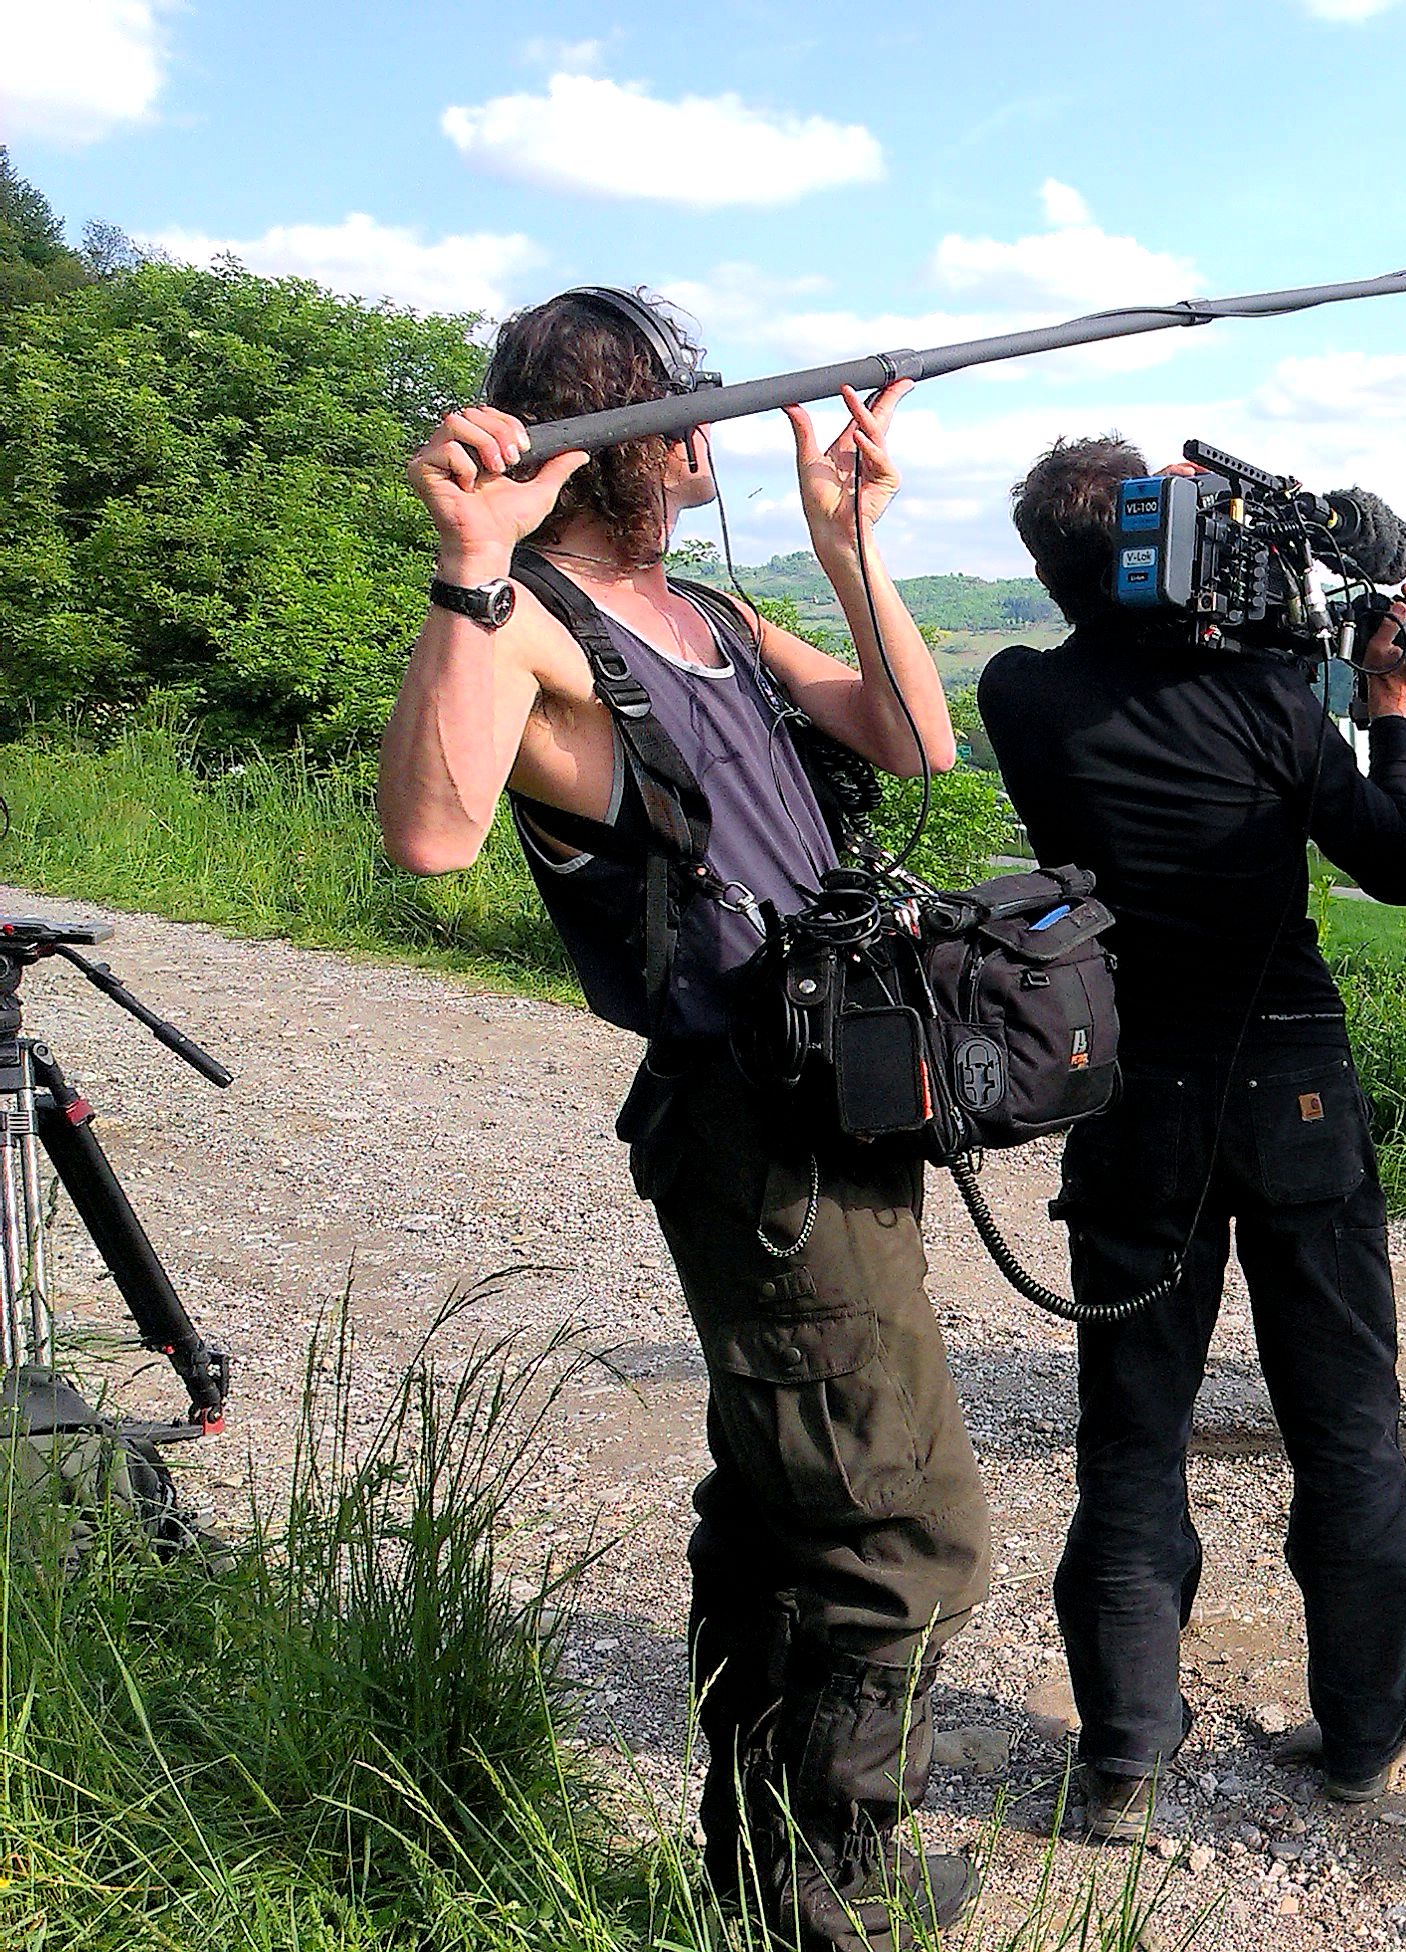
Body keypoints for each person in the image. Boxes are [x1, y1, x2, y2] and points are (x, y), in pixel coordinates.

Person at [377, 288, 978, 1951]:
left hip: (834, 1103)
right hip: (749, 1128)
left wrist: (846, 539)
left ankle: (762, 1872)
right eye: (679, 407)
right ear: (611, 441)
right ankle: (836, 1905)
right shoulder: (531, 622)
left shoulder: (707, 608)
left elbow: (917, 741)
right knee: (905, 1534)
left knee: (784, 1503)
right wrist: (471, 563)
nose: (710, 432)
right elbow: (431, 834)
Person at [972, 437, 1406, 1842]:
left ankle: (1125, 1749)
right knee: (1343, 1419)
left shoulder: (1022, 694)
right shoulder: (1264, 700)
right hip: (1290, 1075)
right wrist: (1388, 709)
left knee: (1134, 1427)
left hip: (1129, 1087)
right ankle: (1365, 1723)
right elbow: (1398, 861)